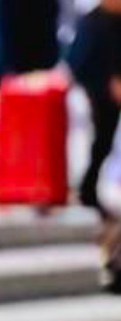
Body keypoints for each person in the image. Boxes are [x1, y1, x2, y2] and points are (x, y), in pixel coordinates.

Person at [73, 0, 121, 221]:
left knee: (105, 142)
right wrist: (108, 83)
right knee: (102, 141)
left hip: (107, 92)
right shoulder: (93, 24)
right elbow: (80, 63)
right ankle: (87, 189)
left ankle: (89, 188)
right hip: (99, 91)